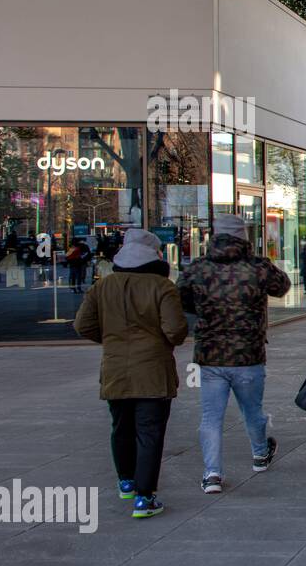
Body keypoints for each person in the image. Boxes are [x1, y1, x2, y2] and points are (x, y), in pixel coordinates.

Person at [74, 229, 187, 518]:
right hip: (152, 371)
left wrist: (112, 340)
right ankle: (144, 497)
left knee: (120, 426)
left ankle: (126, 481)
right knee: (149, 432)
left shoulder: (104, 285)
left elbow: (82, 325)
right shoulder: (162, 287)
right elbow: (174, 330)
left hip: (115, 369)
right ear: (155, 254)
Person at [177, 213, 291, 494]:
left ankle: (212, 473)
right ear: (244, 237)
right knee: (252, 410)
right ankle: (260, 454)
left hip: (210, 354)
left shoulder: (198, 268)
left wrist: (206, 311)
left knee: (210, 417)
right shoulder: (257, 267)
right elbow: (283, 286)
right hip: (248, 353)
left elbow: (181, 299)